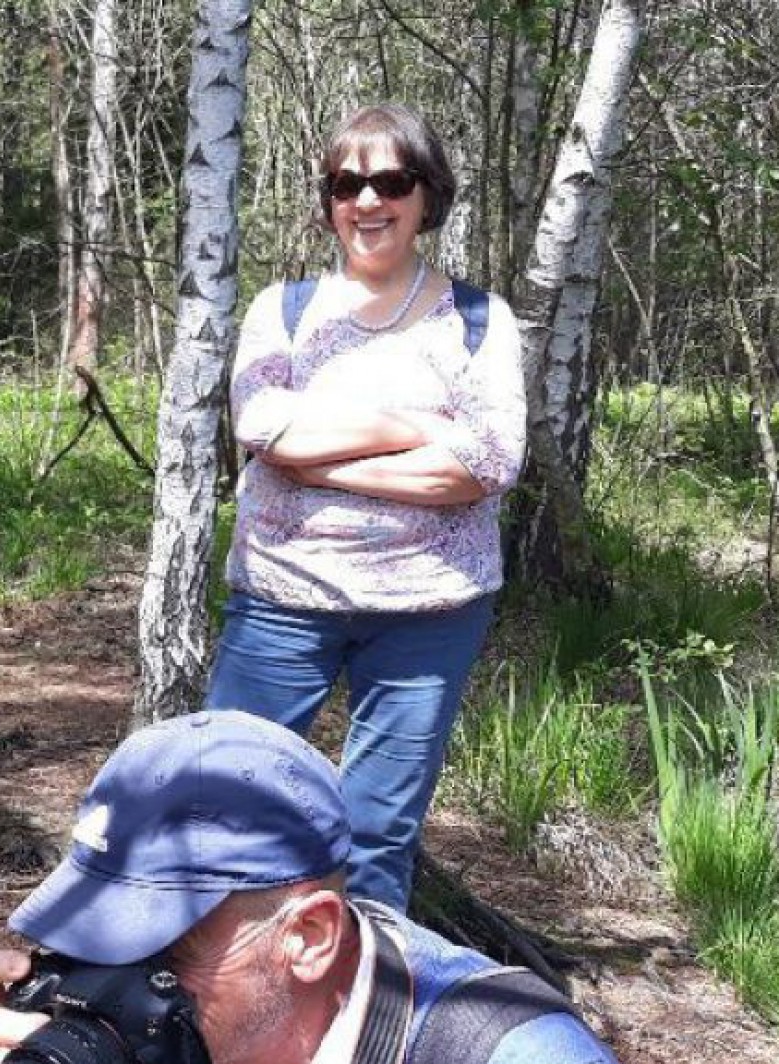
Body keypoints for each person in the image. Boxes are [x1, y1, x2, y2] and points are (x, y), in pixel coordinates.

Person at [0, 710, 669, 1064]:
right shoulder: (195, 1041)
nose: (113, 988)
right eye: (90, 945)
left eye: (155, 950)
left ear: (308, 937)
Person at [206, 104, 526, 912]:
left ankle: (362, 999)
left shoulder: (481, 324)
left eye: (392, 180)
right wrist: (409, 430)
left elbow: (488, 463)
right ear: (328, 200)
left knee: (379, 830)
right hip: (282, 601)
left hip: (428, 614)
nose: (368, 201)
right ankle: (217, 991)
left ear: (427, 196)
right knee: (234, 807)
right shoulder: (280, 311)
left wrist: (319, 459)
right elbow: (262, 425)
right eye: (348, 183)